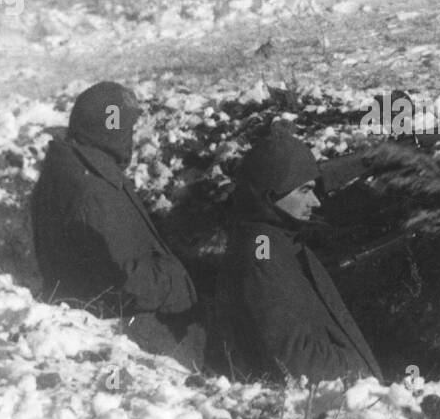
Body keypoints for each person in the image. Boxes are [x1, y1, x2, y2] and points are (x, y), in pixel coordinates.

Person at [30, 81, 202, 367]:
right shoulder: (94, 192)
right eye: (128, 129)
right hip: (130, 332)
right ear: (111, 129)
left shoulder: (71, 167)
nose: (132, 138)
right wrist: (178, 276)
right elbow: (132, 282)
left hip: (93, 315)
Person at [220, 131, 383, 383]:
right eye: (304, 190)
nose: (316, 202)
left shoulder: (278, 240)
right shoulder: (261, 249)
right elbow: (296, 358)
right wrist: (358, 371)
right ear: (272, 193)